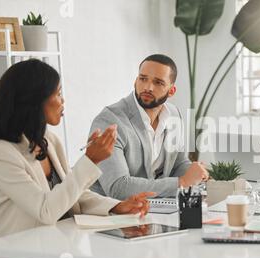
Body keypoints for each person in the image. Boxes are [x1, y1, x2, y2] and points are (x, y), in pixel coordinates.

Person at [0, 59, 153, 258]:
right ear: (34, 101)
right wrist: (90, 161)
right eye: (58, 94)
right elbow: (45, 211)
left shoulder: (48, 140)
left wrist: (116, 207)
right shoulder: (1, 154)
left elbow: (71, 194)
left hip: (58, 256)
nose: (63, 101)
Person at [89, 54, 208, 199]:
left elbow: (178, 163)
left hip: (151, 208)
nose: (148, 87)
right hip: (108, 213)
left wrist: (196, 173)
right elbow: (118, 187)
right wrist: (182, 182)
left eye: (158, 82)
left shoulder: (174, 114)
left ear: (171, 91)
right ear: (135, 81)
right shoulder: (110, 120)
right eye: (143, 79)